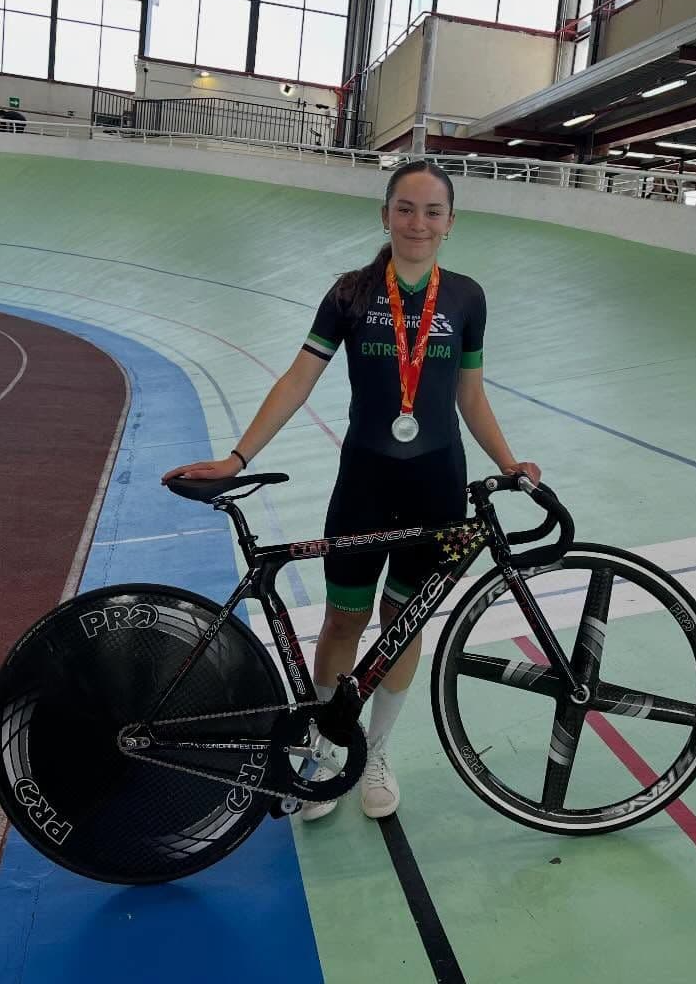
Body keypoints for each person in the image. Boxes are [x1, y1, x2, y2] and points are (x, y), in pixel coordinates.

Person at [162, 158, 541, 822]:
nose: (418, 222)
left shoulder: (466, 298)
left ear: (450, 223)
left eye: (432, 211)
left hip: (437, 482)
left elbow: (470, 394)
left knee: (403, 622)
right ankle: (326, 746)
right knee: (344, 619)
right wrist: (237, 456)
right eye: (405, 208)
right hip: (364, 481)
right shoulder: (350, 293)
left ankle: (376, 753)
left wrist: (509, 462)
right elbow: (298, 378)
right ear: (385, 215)